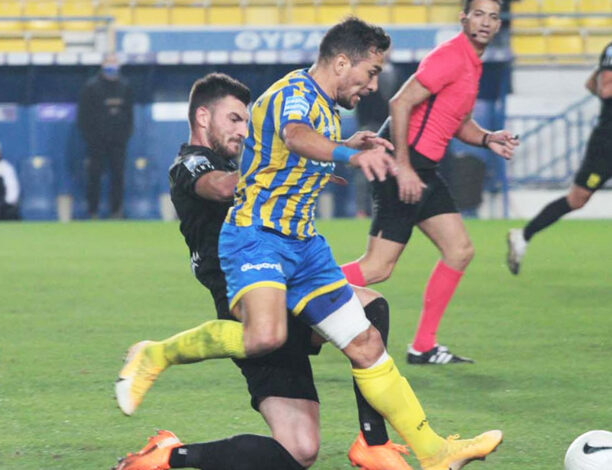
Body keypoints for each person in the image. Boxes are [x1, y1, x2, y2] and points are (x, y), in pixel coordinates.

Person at [115, 17, 502, 470]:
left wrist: (343, 143)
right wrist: (348, 154)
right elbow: (295, 136)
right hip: (258, 241)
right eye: (371, 72)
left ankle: (434, 452)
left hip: (304, 247)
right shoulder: (293, 94)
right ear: (341, 63)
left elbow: (296, 146)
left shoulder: (326, 107)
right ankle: (156, 354)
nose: (373, 86)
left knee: (366, 342)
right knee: (266, 336)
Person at [114, 73, 410, 470]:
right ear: (203, 117)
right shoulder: (189, 165)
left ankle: (372, 441)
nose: (243, 130)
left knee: (371, 310)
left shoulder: (240, 166)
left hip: (283, 287)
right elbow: (222, 187)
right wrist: (291, 167)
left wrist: (306, 170)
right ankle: (170, 454)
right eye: (234, 119)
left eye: (246, 121)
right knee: (298, 450)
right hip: (248, 306)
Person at [339, 0, 520, 365]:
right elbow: (399, 103)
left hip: (424, 169)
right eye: (478, 14)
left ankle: (423, 346)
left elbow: (458, 122)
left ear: (499, 24)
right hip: (404, 165)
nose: (485, 22)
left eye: (492, 16)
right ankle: (294, 290)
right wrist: (403, 167)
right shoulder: (450, 56)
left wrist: (487, 138)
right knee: (377, 268)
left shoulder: (472, 62)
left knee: (459, 250)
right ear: (463, 18)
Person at [507, 40, 612, 274]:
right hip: (607, 144)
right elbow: (603, 89)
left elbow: (592, 84)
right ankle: (523, 235)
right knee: (577, 199)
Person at [77, 53, 134, 219]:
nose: (112, 65)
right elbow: (83, 117)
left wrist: (124, 136)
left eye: (114, 62)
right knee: (94, 176)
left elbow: (129, 115)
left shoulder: (125, 86)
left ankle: (116, 211)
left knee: (118, 176)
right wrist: (90, 138)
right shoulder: (91, 87)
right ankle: (92, 211)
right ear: (102, 65)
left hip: (118, 142)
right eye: (109, 62)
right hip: (96, 142)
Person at [353, 50, 402, 218]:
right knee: (365, 167)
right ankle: (361, 210)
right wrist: (363, 126)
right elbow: (360, 100)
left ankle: (384, 208)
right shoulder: (365, 74)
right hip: (371, 126)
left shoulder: (398, 74)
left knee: (390, 166)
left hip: (393, 128)